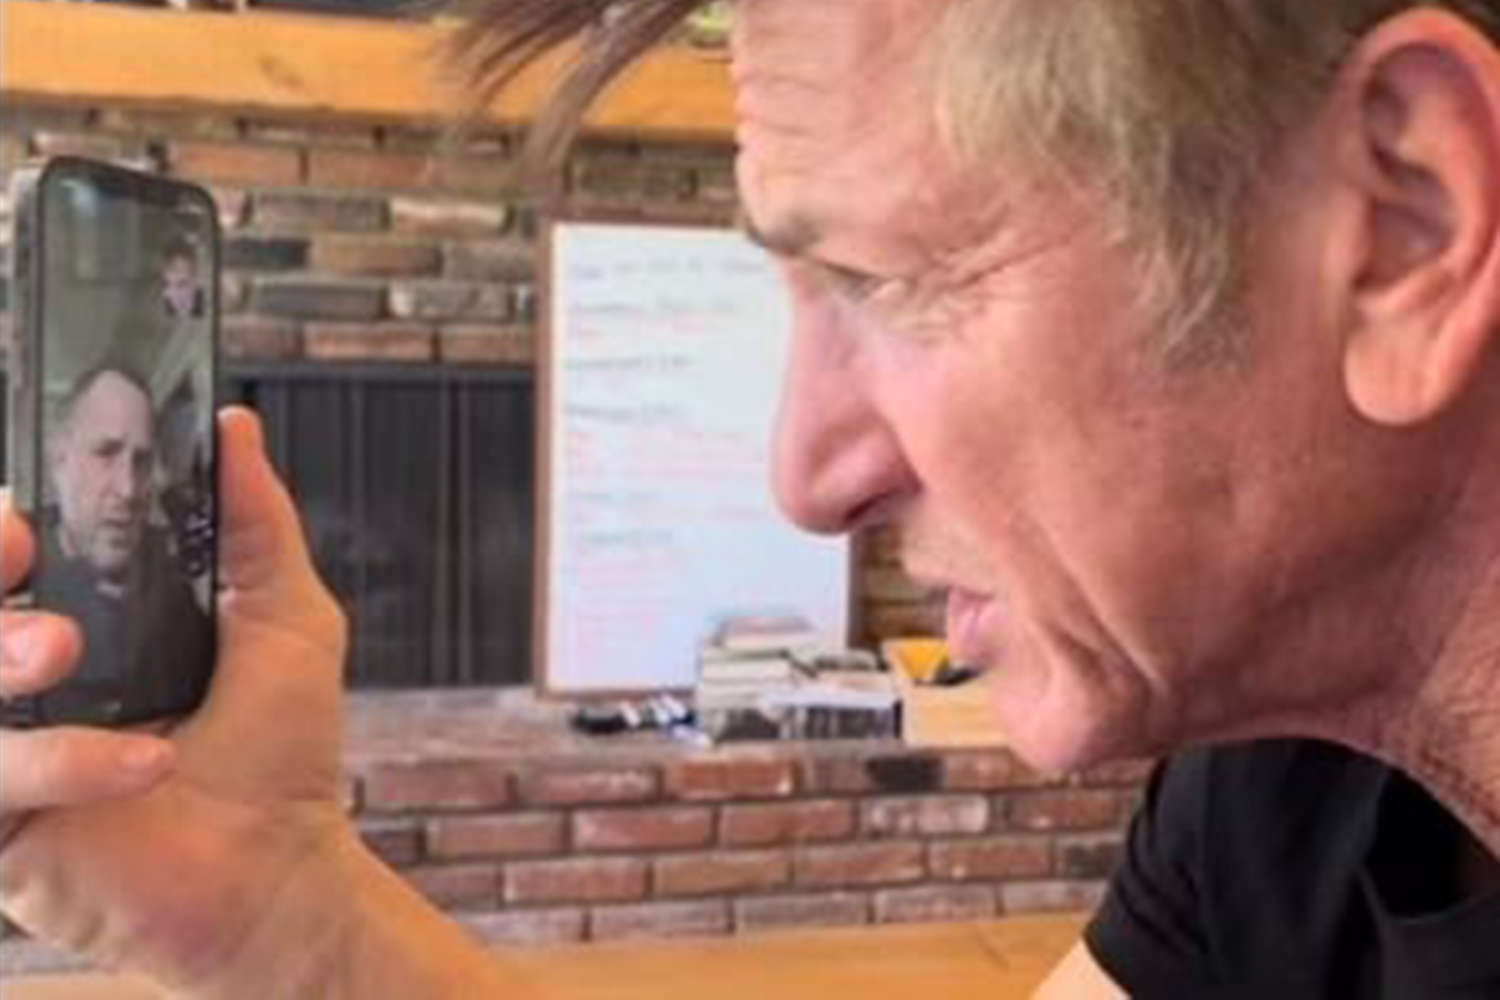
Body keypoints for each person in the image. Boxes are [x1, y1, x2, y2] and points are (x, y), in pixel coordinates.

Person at [2, 0, 1499, 996]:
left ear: (1400, 227)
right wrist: (283, 916)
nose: (804, 477)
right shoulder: (1284, 793)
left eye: (884, 282)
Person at [31, 364, 211, 723]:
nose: (128, 489)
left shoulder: (174, 587)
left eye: (141, 461)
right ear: (59, 461)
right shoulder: (17, 570)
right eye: (106, 452)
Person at [160, 236, 205, 322]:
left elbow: (194, 274)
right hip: (176, 294)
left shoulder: (197, 287)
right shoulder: (169, 292)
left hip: (189, 293)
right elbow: (168, 276)